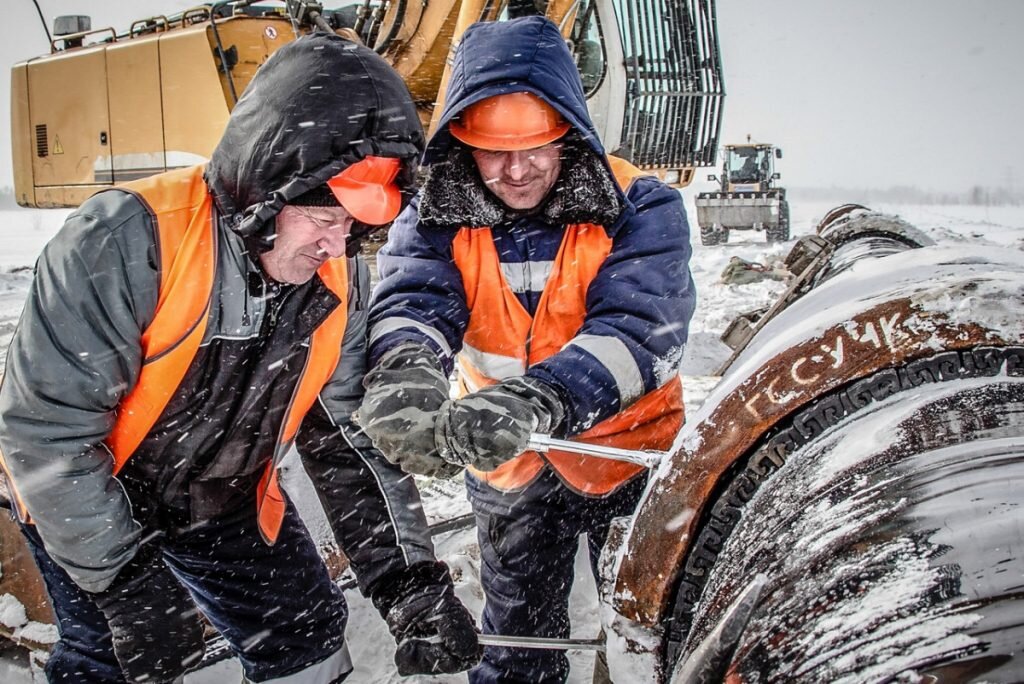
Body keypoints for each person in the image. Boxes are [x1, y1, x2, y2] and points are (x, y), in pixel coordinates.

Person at [0, 31, 480, 683]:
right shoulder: (124, 241)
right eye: (323, 216)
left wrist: (409, 586)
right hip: (93, 491)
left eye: (355, 225)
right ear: (268, 184)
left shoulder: (335, 284)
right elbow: (46, 435)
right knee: (112, 656)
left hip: (220, 498)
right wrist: (125, 582)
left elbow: (347, 444)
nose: (336, 245)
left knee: (306, 636)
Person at [358, 16, 695, 683]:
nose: (516, 170)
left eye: (535, 146)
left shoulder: (642, 206)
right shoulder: (433, 215)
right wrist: (405, 373)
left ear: (569, 131)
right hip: (509, 468)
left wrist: (541, 397)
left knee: (655, 640)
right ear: (460, 142)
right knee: (516, 647)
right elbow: (414, 303)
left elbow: (641, 329)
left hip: (628, 459)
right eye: (492, 150)